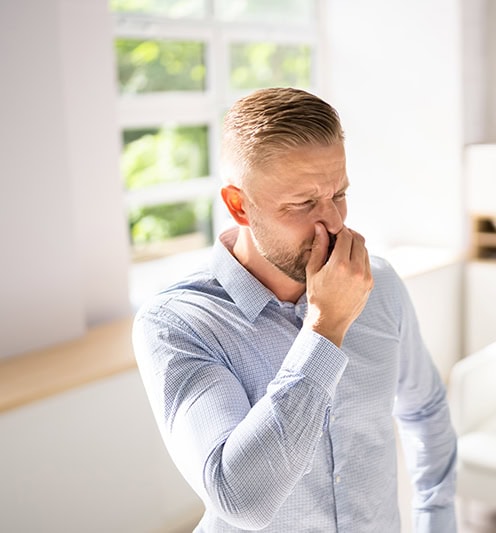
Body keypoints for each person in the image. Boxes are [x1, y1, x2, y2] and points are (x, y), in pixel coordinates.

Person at [132, 87, 458, 532]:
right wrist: (326, 330)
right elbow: (240, 500)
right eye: (303, 203)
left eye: (339, 194)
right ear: (238, 205)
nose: (335, 222)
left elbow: (425, 408)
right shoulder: (178, 324)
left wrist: (437, 522)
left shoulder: (379, 284)